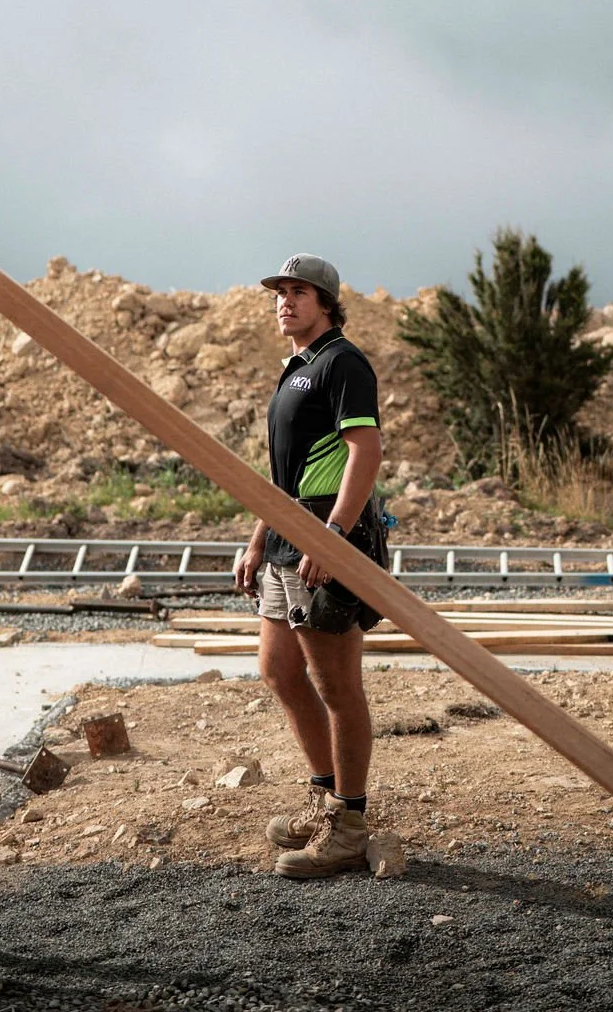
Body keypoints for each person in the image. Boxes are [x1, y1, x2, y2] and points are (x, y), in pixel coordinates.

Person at [234, 254, 386, 878]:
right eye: (280, 292)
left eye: (299, 292)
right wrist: (255, 538)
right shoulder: (295, 370)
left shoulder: (342, 362)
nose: (285, 302)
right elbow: (282, 479)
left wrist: (332, 538)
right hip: (286, 535)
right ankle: (325, 798)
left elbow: (366, 451)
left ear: (325, 302)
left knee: (335, 685)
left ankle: (348, 824)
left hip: (325, 534)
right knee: (278, 671)